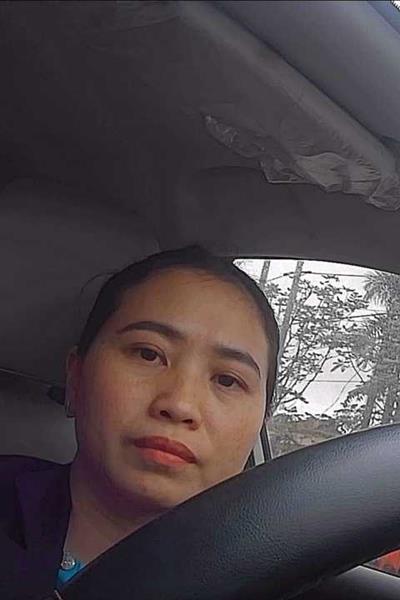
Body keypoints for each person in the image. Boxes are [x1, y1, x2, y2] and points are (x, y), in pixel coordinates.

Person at [0, 245, 279, 599]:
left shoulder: (283, 576)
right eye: (148, 354)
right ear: (76, 377)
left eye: (227, 380)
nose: (179, 404)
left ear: (261, 420)